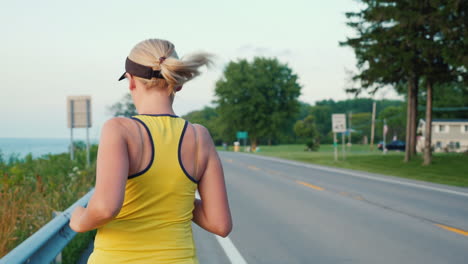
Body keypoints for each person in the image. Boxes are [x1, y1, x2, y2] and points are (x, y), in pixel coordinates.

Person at [69, 39, 232, 263]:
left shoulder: (119, 130)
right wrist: (176, 197)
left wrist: (78, 220)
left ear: (131, 82)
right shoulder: (199, 137)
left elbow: (105, 208)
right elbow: (220, 224)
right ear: (178, 83)